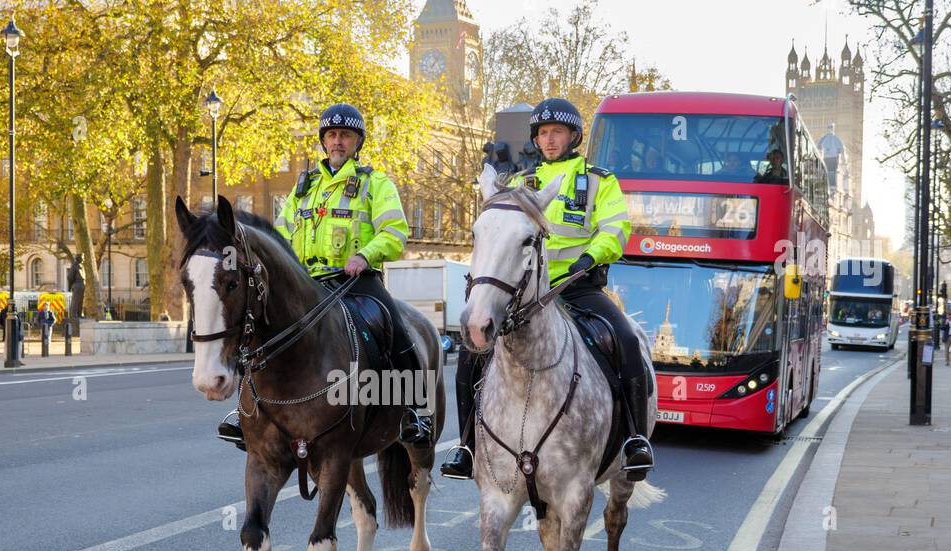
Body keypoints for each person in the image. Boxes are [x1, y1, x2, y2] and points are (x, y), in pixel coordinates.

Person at [442, 96, 651, 481]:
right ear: (535, 140)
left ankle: (636, 440)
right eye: (542, 133)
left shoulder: (599, 181)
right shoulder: (520, 184)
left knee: (625, 339)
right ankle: (466, 445)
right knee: (473, 352)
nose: (549, 139)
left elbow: (617, 228)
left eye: (557, 132)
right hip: (526, 295)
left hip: (577, 286)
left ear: (573, 136)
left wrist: (592, 256)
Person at [219, 101, 427, 448]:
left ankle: (410, 410)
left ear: (357, 142)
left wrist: (365, 255)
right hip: (306, 283)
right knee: (254, 328)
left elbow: (394, 232)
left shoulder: (374, 183)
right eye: (331, 135)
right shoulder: (303, 188)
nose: (338, 141)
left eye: (345, 135)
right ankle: (247, 410)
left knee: (393, 327)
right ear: (323, 141)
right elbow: (278, 238)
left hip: (354, 282)